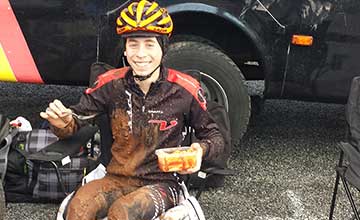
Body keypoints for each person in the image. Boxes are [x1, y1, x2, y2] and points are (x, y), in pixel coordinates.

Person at [40, 0, 224, 219]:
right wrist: (62, 124)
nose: (140, 54)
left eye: (149, 44)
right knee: (78, 208)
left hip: (164, 183)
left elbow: (215, 136)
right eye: (133, 44)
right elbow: (75, 121)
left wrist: (199, 151)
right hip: (116, 177)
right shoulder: (109, 84)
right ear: (125, 50)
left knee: (123, 212)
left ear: (163, 47)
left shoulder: (185, 89)